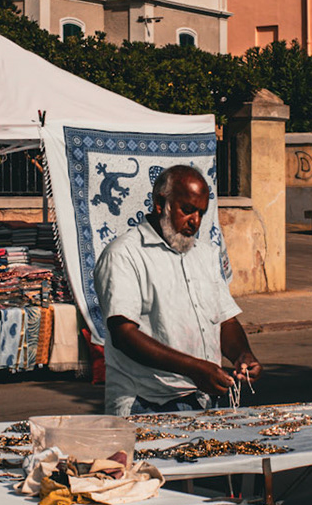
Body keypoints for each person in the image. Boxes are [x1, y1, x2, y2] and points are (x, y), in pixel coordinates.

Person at [94, 163, 260, 416]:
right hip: (146, 402)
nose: (195, 221)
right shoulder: (124, 255)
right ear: (161, 204)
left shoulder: (205, 255)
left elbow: (225, 320)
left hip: (203, 399)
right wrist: (194, 368)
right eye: (188, 210)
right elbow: (124, 335)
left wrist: (242, 355)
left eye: (201, 213)